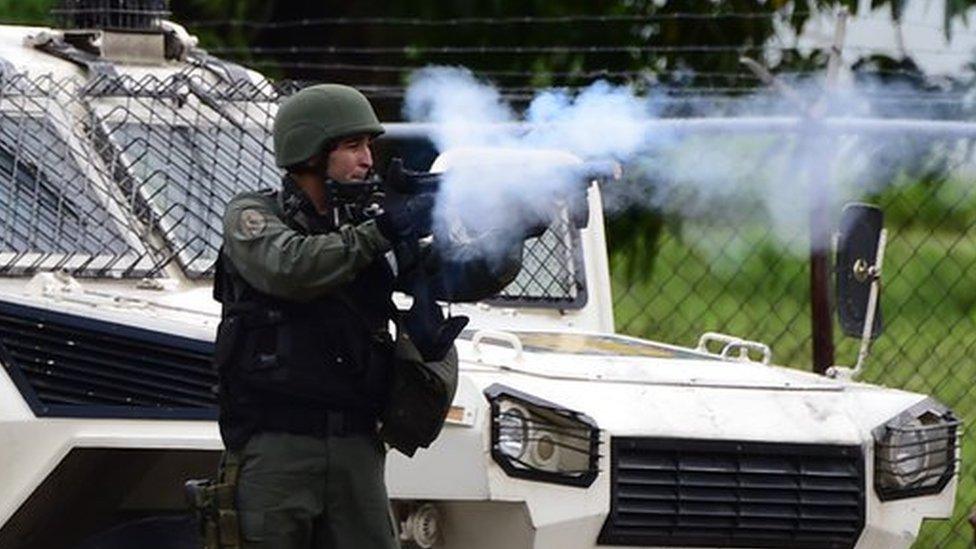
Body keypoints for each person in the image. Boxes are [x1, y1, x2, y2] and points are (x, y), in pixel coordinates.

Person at [210, 84, 521, 548]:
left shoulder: (368, 223)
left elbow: (447, 280)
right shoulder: (254, 216)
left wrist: (509, 234)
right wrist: (384, 229)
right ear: (310, 152)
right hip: (276, 446)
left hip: (357, 444)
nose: (367, 159)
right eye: (353, 146)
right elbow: (292, 267)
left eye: (369, 146)